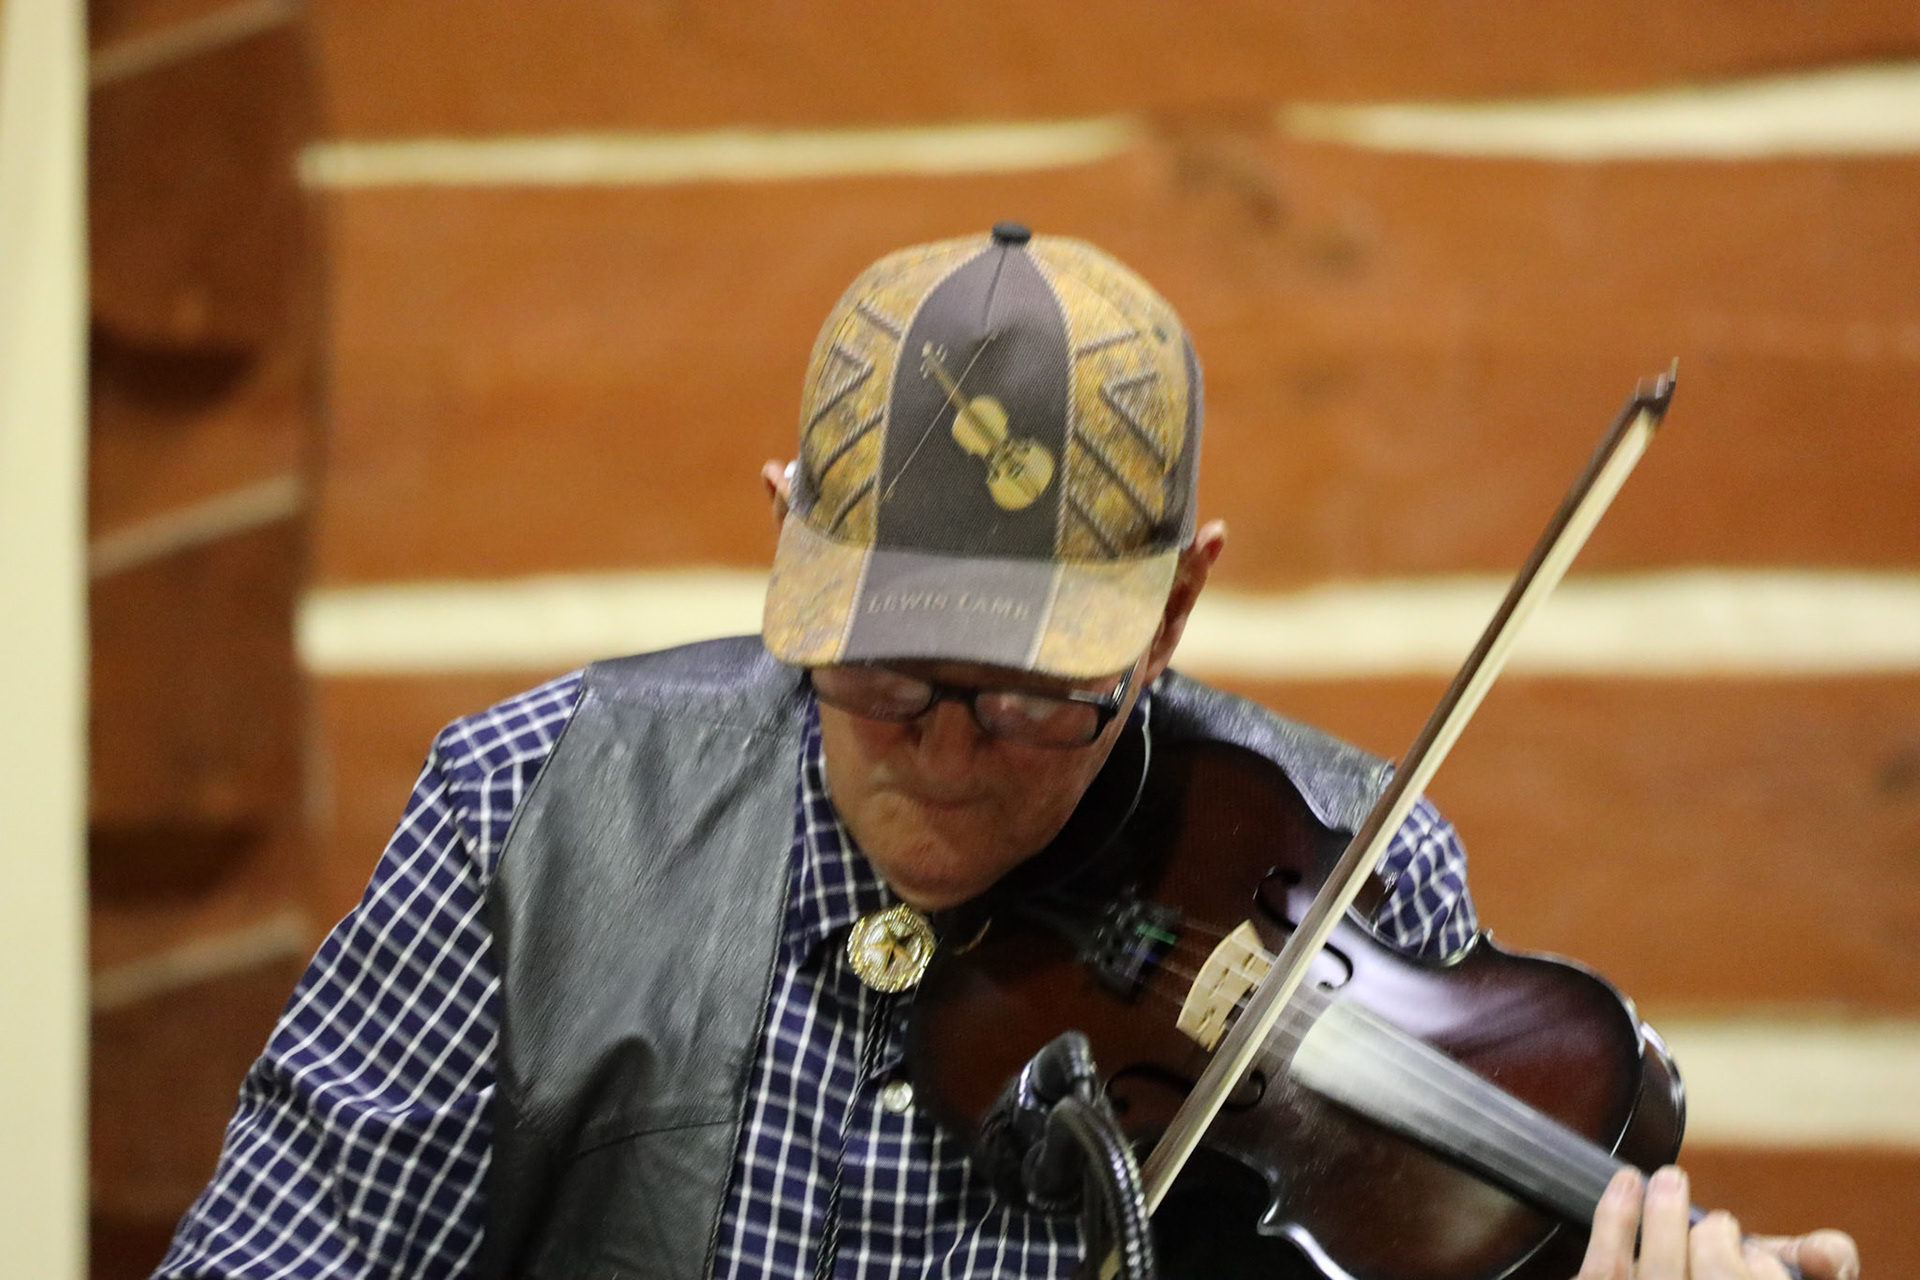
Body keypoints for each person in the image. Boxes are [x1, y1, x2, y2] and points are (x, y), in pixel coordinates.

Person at [154, 225, 1858, 1280]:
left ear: (1175, 607)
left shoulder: (1359, 872)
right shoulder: (532, 814)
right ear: (785, 544)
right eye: (886, 675)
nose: (953, 755)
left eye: (1041, 695)